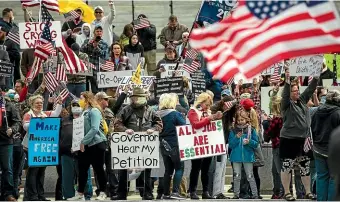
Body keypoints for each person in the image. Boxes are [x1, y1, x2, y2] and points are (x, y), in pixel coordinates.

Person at [113, 87, 163, 200]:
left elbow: (159, 124)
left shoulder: (151, 110)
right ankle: (121, 193)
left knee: (147, 170)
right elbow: (117, 124)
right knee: (123, 169)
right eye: (133, 97)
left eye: (136, 97)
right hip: (129, 145)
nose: (134, 100)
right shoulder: (126, 109)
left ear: (142, 98)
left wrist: (154, 129)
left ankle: (147, 193)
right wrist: (125, 129)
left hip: (146, 145)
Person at [280, 69, 318, 201]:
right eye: (294, 91)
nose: (297, 92)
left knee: (305, 166)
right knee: (287, 165)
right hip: (289, 139)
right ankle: (287, 192)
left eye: (297, 90)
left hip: (303, 139)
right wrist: (287, 81)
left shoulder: (302, 101)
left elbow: (310, 89)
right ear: (290, 93)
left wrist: (317, 75)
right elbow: (285, 94)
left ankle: (308, 192)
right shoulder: (286, 104)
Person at [22, 95, 62, 201]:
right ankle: (32, 196)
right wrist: (38, 120)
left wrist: (59, 103)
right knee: (33, 172)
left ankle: (40, 195)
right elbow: (26, 127)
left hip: (42, 148)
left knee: (41, 173)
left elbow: (56, 113)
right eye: (37, 103)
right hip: (31, 148)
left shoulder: (45, 113)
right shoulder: (28, 114)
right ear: (32, 104)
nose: (39, 105)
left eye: (41, 103)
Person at [69, 92, 108, 201]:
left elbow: (94, 128)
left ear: (87, 99)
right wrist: (76, 144)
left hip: (96, 143)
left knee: (99, 169)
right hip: (84, 145)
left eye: (81, 98)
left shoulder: (94, 111)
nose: (79, 100)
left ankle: (103, 192)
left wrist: (83, 141)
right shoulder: (82, 113)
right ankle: (80, 193)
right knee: (82, 169)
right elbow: (79, 130)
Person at [187, 92, 222, 199]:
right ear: (201, 102)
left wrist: (216, 118)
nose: (208, 107)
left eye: (209, 105)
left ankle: (205, 191)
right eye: (206, 105)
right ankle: (192, 191)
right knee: (196, 168)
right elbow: (196, 125)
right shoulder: (193, 111)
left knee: (206, 169)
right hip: (196, 143)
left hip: (208, 143)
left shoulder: (208, 112)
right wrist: (209, 118)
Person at [59, 101, 93, 200]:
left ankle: (87, 196)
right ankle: (69, 196)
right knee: (67, 177)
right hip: (66, 152)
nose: (75, 107)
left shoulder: (86, 119)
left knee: (85, 176)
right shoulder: (63, 120)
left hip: (83, 152)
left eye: (77, 105)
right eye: (73, 105)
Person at [311, 90, 340, 201]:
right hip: (333, 151)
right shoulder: (338, 113)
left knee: (321, 177)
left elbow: (312, 128)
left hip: (318, 149)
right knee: (334, 177)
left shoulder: (316, 111)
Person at [157, 93, 186, 200]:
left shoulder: (157, 114)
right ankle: (175, 192)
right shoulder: (175, 114)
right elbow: (184, 127)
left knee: (168, 170)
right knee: (179, 168)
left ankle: (166, 193)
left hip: (163, 145)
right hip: (175, 144)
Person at [210, 95, 237, 199]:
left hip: (224, 142)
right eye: (226, 105)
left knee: (222, 169)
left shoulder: (229, 113)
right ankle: (215, 191)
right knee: (216, 168)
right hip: (215, 142)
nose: (228, 107)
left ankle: (219, 191)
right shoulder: (215, 110)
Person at [229, 110, 259, 199]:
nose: (240, 122)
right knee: (237, 176)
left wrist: (249, 142)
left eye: (242, 119)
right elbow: (231, 144)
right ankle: (236, 194)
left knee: (250, 176)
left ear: (246, 119)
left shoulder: (251, 130)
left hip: (248, 157)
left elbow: (256, 144)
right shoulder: (233, 131)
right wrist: (236, 138)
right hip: (236, 157)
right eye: (239, 120)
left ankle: (255, 194)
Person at [0, 90, 21, 202]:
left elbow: (18, 121)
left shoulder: (9, 105)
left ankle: (8, 193)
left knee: (7, 168)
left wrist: (12, 129)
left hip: (5, 141)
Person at [263, 89, 284, 199]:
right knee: (282, 169)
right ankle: (282, 190)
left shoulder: (277, 119)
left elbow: (268, 135)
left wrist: (266, 123)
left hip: (277, 146)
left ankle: (279, 191)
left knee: (278, 170)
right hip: (286, 145)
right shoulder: (286, 116)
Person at [81, 25, 109, 94]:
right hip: (87, 67)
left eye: (100, 31)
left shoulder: (104, 43)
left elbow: (104, 55)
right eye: (97, 31)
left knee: (96, 89)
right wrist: (89, 44)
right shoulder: (87, 41)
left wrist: (97, 47)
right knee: (85, 88)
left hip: (97, 68)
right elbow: (81, 50)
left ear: (102, 33)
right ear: (94, 32)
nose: (99, 33)